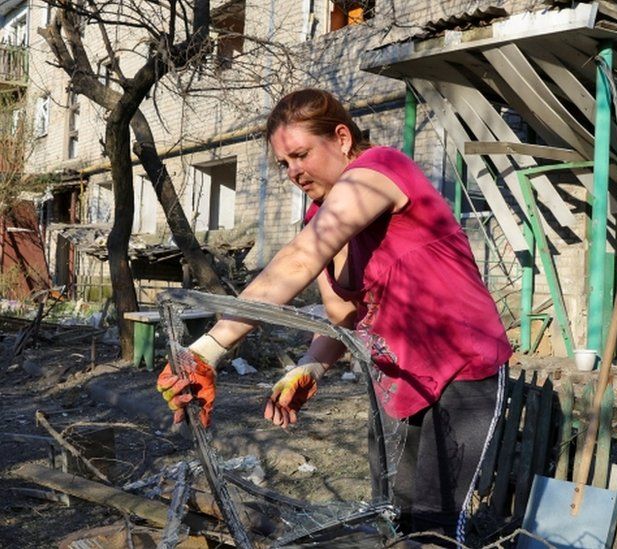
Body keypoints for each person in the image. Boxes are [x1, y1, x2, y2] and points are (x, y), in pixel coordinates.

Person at [156, 88, 512, 538]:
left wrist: (208, 348)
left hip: (463, 365)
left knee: (435, 525)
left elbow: (301, 261)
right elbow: (344, 313)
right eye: (284, 164)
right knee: (395, 515)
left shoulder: (380, 170)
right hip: (401, 378)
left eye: (301, 155)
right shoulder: (319, 217)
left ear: (342, 138)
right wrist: (310, 365)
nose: (293, 172)